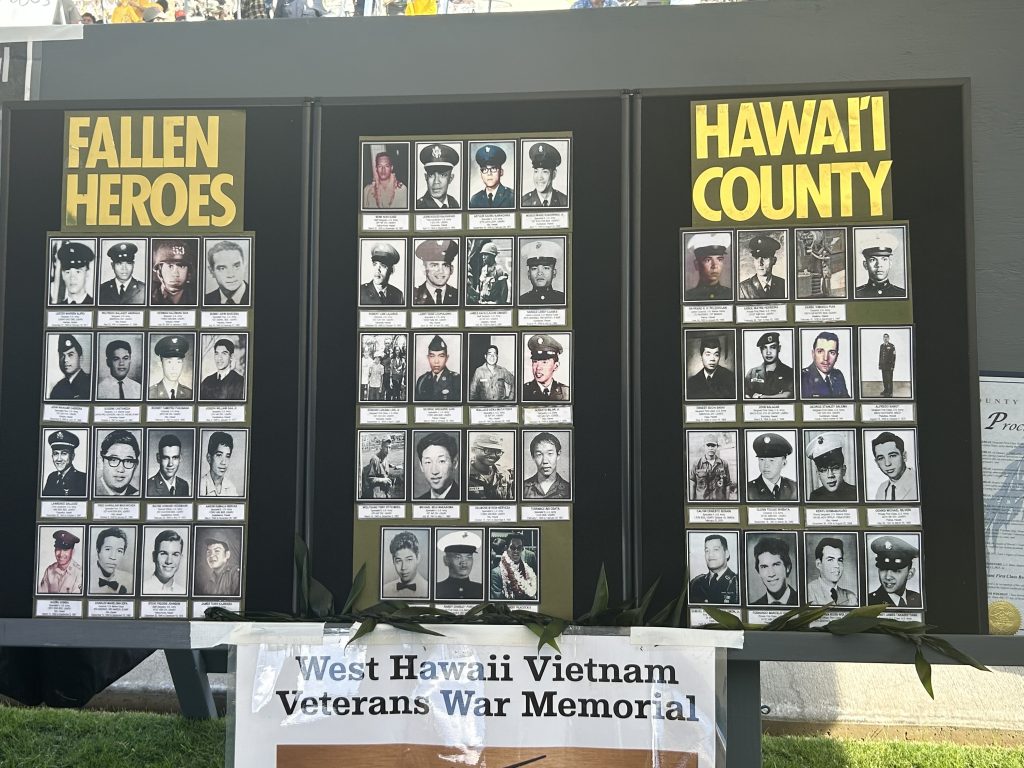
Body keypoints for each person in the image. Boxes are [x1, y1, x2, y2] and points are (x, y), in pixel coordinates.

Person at [867, 536, 922, 607]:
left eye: (895, 570)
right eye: (883, 569)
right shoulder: (869, 602)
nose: (888, 577)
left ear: (910, 574)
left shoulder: (918, 599)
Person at [688, 534, 739, 605]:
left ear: (726, 553)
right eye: (707, 550)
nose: (710, 555)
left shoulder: (737, 582)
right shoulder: (695, 583)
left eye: (716, 549)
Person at [746, 432, 798, 502]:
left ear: (784, 463)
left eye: (771, 460)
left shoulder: (794, 488)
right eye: (762, 460)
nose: (766, 465)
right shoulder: (748, 490)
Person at [806, 432, 858, 501]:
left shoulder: (856, 493)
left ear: (843, 470)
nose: (830, 475)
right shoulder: (815, 496)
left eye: (835, 468)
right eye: (823, 470)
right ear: (818, 474)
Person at [806, 537, 857, 605]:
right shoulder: (807, 592)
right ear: (819, 564)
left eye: (840, 560)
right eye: (830, 560)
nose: (837, 565)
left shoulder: (850, 597)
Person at [855, 230, 906, 297]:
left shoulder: (902, 294)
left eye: (884, 259)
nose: (879, 265)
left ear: (890, 263)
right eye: (873, 260)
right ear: (865, 265)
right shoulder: (856, 293)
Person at [744, 331, 794, 399]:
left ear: (779, 348)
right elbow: (745, 394)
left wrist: (761, 397)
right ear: (761, 350)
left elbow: (788, 395)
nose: (768, 352)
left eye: (772, 347)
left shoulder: (789, 372)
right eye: (764, 348)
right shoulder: (752, 373)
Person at [800, 330, 850, 398]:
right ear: (813, 354)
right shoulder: (803, 377)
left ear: (837, 356)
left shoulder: (838, 375)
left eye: (832, 352)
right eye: (820, 351)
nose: (826, 358)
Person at [435, 531, 483, 601]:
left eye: (469, 557)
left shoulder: (481, 589)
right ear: (446, 560)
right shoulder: (437, 589)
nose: (464, 562)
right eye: (458, 557)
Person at [750, 536, 798, 606]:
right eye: (764, 567)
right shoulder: (754, 606)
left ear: (787, 567)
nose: (771, 574)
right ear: (758, 572)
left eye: (776, 565)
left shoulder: (803, 602)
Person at [490, 532, 538, 600]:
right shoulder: (496, 573)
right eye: (512, 547)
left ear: (522, 549)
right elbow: (497, 602)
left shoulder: (529, 572)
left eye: (519, 548)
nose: (516, 551)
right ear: (506, 548)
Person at [683, 232, 732, 301]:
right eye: (707, 260)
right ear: (697, 264)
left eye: (719, 259)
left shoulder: (730, 294)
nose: (714, 266)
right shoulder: (688, 296)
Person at [522, 432, 571, 499]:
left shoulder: (569, 490)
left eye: (550, 453)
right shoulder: (522, 488)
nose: (545, 461)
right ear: (533, 457)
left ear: (558, 455)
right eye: (539, 454)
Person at [871, 431, 918, 501]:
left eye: (892, 456)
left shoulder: (917, 482)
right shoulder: (881, 489)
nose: (887, 463)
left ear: (904, 456)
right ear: (877, 463)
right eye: (881, 458)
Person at [737, 234, 786, 300]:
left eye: (765, 257)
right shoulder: (743, 288)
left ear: (774, 260)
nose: (760, 263)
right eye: (757, 258)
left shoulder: (783, 284)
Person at [689, 434, 736, 502]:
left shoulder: (724, 464)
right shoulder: (697, 464)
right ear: (704, 447)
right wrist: (692, 502)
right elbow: (692, 484)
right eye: (708, 445)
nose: (711, 448)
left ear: (717, 447)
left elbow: (727, 484)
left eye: (713, 445)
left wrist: (727, 502)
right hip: (702, 502)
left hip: (719, 501)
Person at [467, 433, 514, 501]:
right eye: (488, 450)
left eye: (498, 451)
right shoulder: (463, 474)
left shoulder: (504, 474)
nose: (493, 455)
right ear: (473, 450)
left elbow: (509, 501)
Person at [687, 335, 735, 400]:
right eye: (708, 354)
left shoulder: (730, 378)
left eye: (716, 355)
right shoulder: (692, 382)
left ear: (719, 356)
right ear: (701, 356)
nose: (712, 359)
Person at [382, 531, 429, 597]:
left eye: (409, 559)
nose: (403, 567)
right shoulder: (385, 590)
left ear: (418, 558)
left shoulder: (428, 589)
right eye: (399, 561)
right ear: (393, 561)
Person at [414, 335, 461, 402]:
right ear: (428, 358)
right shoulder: (422, 380)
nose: (436, 361)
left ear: (446, 358)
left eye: (441, 356)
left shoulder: (456, 380)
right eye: (432, 356)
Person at [523, 334, 570, 401]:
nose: (538, 368)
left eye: (544, 362)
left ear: (556, 366)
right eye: (535, 362)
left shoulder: (566, 392)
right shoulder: (523, 391)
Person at [413, 239, 459, 305]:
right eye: (434, 265)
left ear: (451, 269)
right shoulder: (413, 295)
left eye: (445, 265)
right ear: (424, 269)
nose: (441, 271)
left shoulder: (459, 295)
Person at [42, 431, 88, 498]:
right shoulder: (52, 477)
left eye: (64, 453)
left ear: (72, 456)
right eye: (55, 453)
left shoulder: (83, 479)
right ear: (52, 456)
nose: (59, 459)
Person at [518, 240, 565, 305]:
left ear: (554, 273)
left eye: (546, 268)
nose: (540, 273)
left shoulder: (563, 299)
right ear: (529, 274)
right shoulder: (521, 301)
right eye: (534, 268)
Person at [414, 431, 459, 500]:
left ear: (454, 463)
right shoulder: (419, 501)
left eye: (441, 461)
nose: (434, 471)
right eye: (428, 462)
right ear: (421, 466)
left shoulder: (470, 497)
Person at [151, 240, 197, 305]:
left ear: (189, 272)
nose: (175, 274)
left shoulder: (197, 296)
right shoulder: (147, 295)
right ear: (159, 271)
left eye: (181, 266)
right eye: (170, 266)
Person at [521, 142, 568, 207]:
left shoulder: (564, 201)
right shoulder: (524, 203)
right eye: (536, 171)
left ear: (554, 174)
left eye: (545, 171)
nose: (539, 177)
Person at [95, 430, 141, 496]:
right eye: (113, 460)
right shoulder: (87, 489)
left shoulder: (137, 494)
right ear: (101, 462)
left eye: (128, 461)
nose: (120, 469)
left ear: (135, 466)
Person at [204, 240, 250, 305]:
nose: (231, 275)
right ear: (212, 271)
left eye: (236, 266)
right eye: (222, 268)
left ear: (244, 265)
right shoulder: (206, 300)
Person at [469, 144, 515, 209]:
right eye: (485, 169)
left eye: (493, 169)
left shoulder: (512, 197)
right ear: (481, 173)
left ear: (501, 172)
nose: (489, 173)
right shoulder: (475, 199)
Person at [38, 530, 83, 594]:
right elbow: (41, 595)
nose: (61, 554)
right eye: (58, 549)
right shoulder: (49, 571)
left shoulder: (79, 573)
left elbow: (76, 599)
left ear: (72, 552)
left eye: (65, 550)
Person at [415, 143, 460, 209]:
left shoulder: (453, 203)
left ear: (450, 178)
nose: (436, 181)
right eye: (431, 175)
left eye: (442, 175)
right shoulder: (419, 206)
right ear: (426, 177)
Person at [142, 529, 186, 595]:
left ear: (181, 558)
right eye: (164, 553)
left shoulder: (183, 592)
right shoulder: (143, 589)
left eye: (175, 554)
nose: (169, 561)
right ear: (154, 556)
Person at [149, 335, 193, 400]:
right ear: (161, 364)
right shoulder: (150, 394)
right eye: (169, 362)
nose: (174, 368)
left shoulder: (190, 394)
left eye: (178, 362)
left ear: (182, 364)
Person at [90, 527, 132, 595]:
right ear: (98, 550)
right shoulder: (82, 575)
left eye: (119, 551)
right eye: (108, 549)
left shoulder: (129, 579)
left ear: (123, 553)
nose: (113, 557)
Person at [49, 334, 91, 400]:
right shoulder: (57, 388)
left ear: (80, 358)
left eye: (70, 355)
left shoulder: (89, 382)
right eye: (62, 355)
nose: (65, 360)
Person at [199, 431, 240, 497]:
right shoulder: (199, 486)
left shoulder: (231, 488)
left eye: (227, 456)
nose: (224, 462)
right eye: (219, 455)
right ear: (209, 458)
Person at [55, 241, 95, 305]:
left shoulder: (95, 305)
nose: (72, 278)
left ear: (87, 273)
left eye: (78, 272)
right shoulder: (57, 307)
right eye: (68, 272)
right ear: (63, 274)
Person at [360, 435, 400, 500]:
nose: (388, 450)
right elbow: (369, 479)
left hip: (385, 494)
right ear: (381, 447)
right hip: (376, 496)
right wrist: (383, 480)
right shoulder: (374, 459)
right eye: (386, 447)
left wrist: (392, 466)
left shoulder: (386, 458)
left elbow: (383, 467)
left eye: (389, 447)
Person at [877, 333, 896, 397]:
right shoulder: (881, 346)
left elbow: (894, 357)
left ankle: (890, 392)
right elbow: (880, 356)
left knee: (889, 379)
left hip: (889, 366)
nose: (885, 339)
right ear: (883, 338)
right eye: (884, 337)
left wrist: (893, 366)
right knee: (884, 379)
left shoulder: (892, 346)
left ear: (888, 338)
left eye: (887, 337)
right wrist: (880, 365)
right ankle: (885, 390)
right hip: (883, 366)